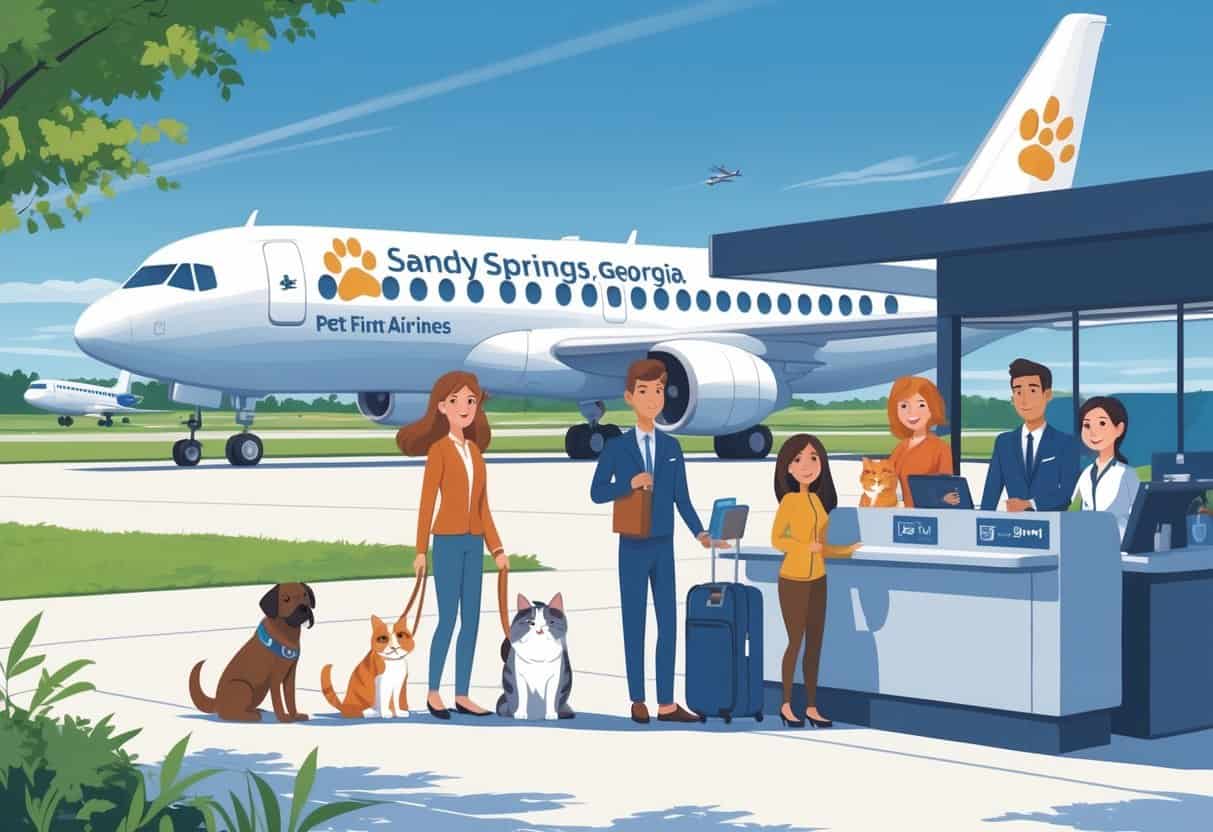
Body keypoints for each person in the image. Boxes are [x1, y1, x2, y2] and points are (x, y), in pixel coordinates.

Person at [590, 358, 718, 724]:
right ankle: (637, 699)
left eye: (658, 391)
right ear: (629, 397)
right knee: (634, 624)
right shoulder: (617, 447)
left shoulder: (672, 447)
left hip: (664, 545)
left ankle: (666, 702)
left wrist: (700, 532)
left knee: (668, 624)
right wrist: (627, 485)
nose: (652, 399)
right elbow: (597, 492)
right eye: (644, 391)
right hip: (632, 545)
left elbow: (682, 498)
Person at [397, 371, 508, 720]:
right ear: (442, 407)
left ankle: (462, 693)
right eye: (457, 400)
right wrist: (420, 551)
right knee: (447, 619)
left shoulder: (475, 452)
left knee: (472, 620)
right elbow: (427, 502)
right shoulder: (439, 451)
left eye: (471, 400)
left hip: (474, 543)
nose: (465, 407)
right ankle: (433, 691)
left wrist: (497, 548)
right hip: (446, 541)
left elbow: (484, 506)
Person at [770, 434, 861, 728]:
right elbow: (777, 539)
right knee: (795, 641)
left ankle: (811, 705)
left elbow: (822, 546)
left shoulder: (817, 503)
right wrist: (802, 547)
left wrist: (846, 550)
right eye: (798, 460)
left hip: (818, 578)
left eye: (813, 458)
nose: (806, 466)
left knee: (815, 644)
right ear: (787, 468)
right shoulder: (789, 502)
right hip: (793, 579)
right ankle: (786, 704)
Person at [980, 358, 1082, 512]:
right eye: (1018, 392)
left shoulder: (1066, 443)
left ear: (1047, 395)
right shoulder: (1004, 443)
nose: (1024, 400)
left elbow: (1067, 494)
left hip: (1052, 522)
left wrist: (1030, 504)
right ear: (1012, 399)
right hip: (1013, 523)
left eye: (1032, 391)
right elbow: (990, 493)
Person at [1073, 396, 1140, 540]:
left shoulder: (1126, 474)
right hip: (1088, 543)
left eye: (1102, 423)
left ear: (1119, 429)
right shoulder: (1086, 473)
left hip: (1119, 545)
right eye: (1087, 425)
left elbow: (1139, 517)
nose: (1093, 432)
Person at [885, 376, 958, 507]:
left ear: (932, 407)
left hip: (930, 513)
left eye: (921, 405)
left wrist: (941, 499)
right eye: (904, 406)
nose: (912, 412)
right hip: (906, 512)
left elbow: (948, 490)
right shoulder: (900, 448)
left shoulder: (940, 448)